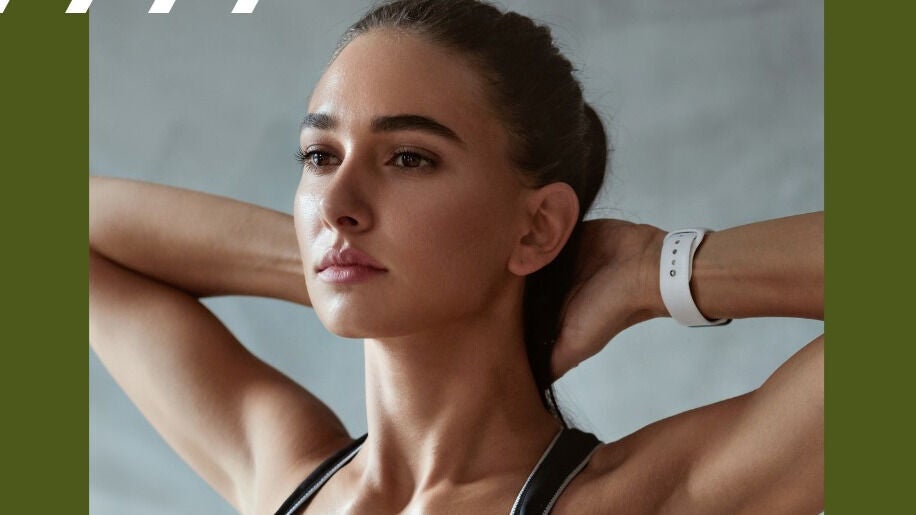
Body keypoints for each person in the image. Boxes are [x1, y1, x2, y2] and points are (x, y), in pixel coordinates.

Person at [89, 0, 823, 513]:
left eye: (408, 158)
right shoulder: (287, 478)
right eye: (320, 155)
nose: (337, 199)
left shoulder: (651, 499)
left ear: (538, 228)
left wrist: (654, 272)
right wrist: (326, 262)